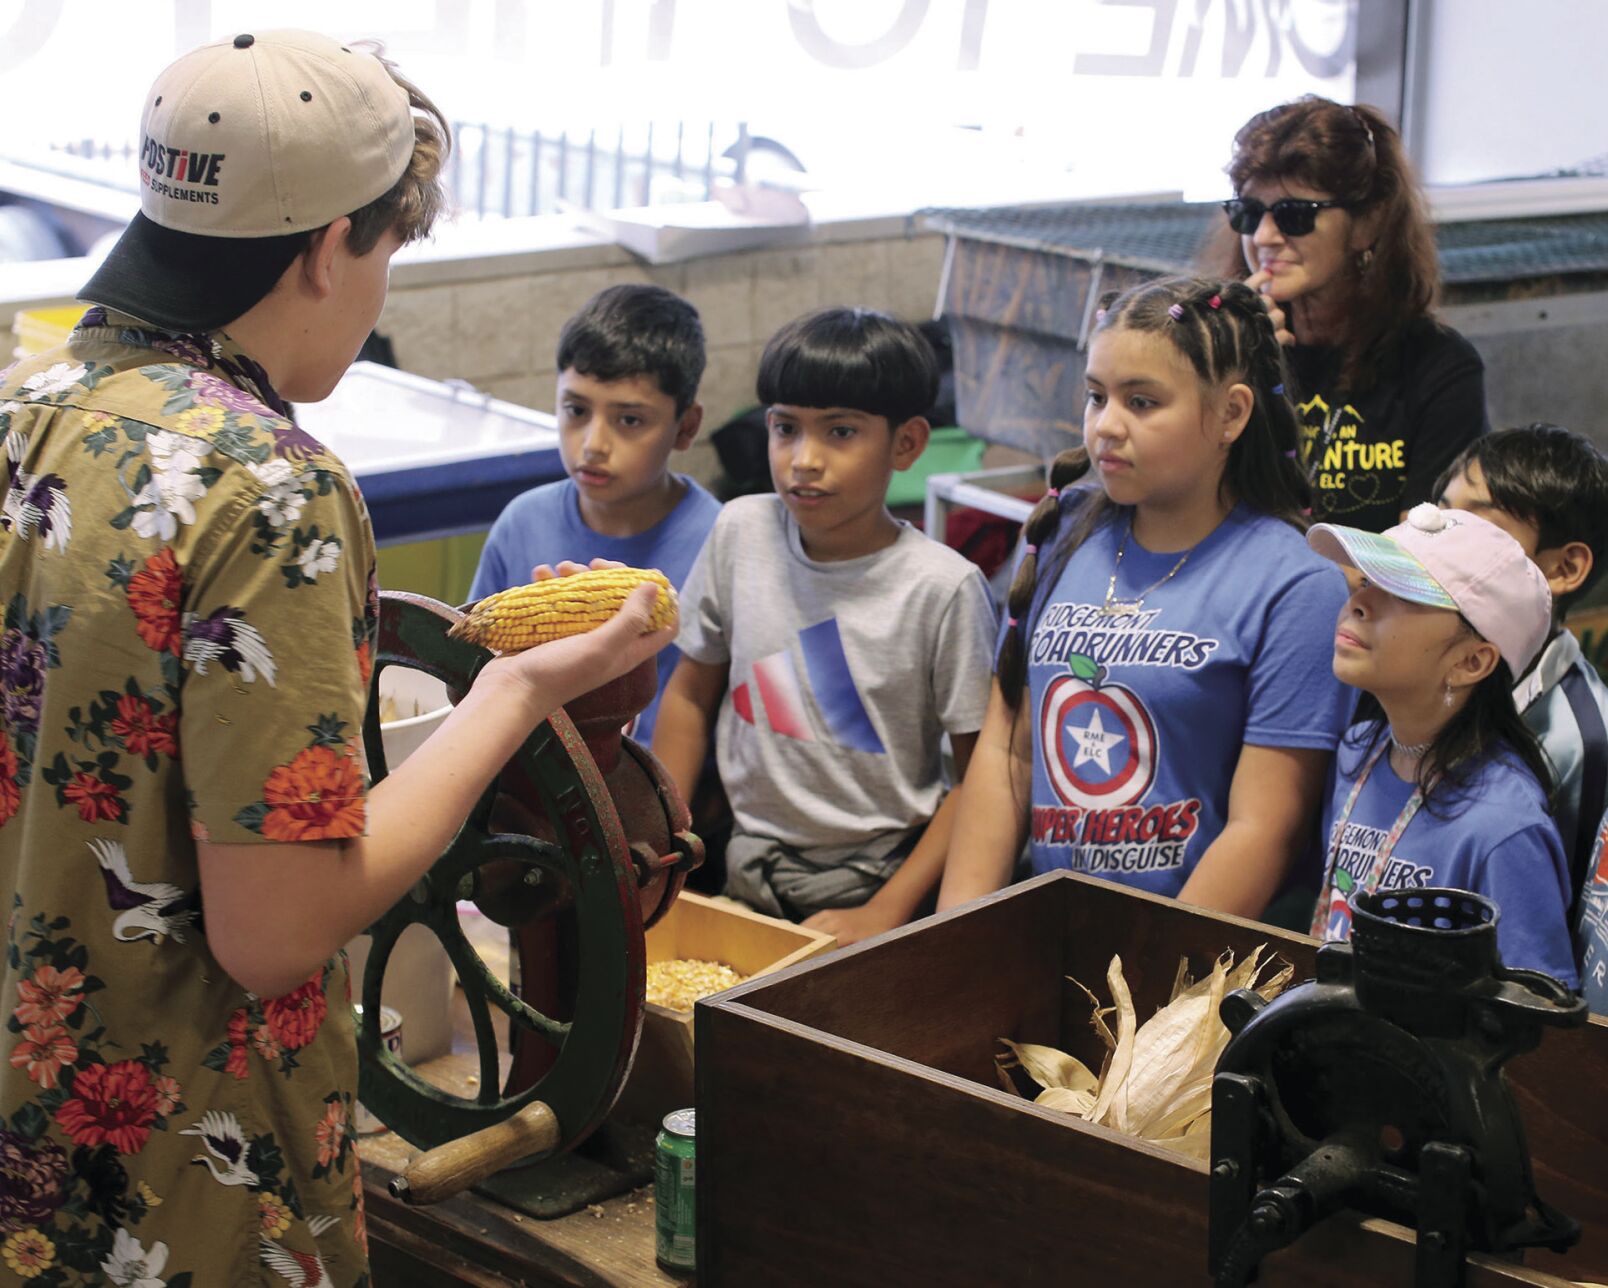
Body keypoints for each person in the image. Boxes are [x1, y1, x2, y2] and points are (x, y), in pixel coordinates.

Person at [0, 32, 670, 1286]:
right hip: (179, 1184)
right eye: (383, 257)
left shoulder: (22, 418)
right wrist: (519, 688)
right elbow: (278, 926)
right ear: (324, 249)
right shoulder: (267, 486)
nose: (376, 302)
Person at [938, 278, 1352, 918]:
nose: (1107, 426)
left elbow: (1265, 827)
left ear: (1231, 414)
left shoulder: (1295, 583)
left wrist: (1158, 986)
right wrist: (955, 934)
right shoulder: (1063, 532)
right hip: (1057, 939)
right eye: (1097, 396)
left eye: (1142, 402)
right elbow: (1006, 753)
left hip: (1188, 961)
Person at [652, 308, 996, 946]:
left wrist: (888, 909)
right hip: (745, 866)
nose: (803, 460)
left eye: (840, 432)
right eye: (786, 429)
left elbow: (981, 779)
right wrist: (662, 838)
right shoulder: (740, 530)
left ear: (907, 443)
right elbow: (689, 695)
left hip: (875, 879)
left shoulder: (942, 588)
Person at [1306, 503, 1577, 986]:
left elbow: (1540, 1020)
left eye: (1400, 593)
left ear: (1471, 662)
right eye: (1368, 579)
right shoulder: (1359, 750)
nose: (1359, 601)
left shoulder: (1503, 826)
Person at [1206, 96, 1488, 532]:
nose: (1263, 236)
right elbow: (1184, 508)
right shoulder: (1227, 343)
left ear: (1367, 224)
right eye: (1248, 212)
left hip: (1367, 597)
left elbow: (1429, 553)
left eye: (1295, 214)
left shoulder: (1438, 367)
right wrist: (1229, 366)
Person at [469, 284, 720, 743]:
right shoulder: (521, 522)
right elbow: (472, 671)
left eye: (629, 420)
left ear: (686, 428)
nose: (593, 444)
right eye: (576, 410)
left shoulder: (719, 541)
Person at [1435, 423, 1608, 973]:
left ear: (1563, 568)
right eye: (1441, 510)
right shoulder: (1395, 669)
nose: (1437, 535)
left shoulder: (1586, 740)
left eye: (1474, 522)